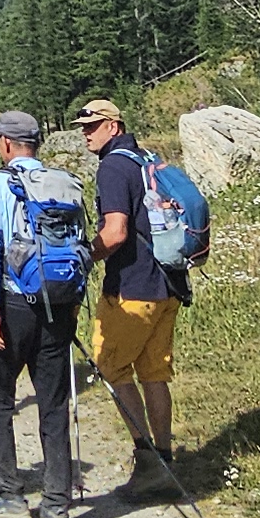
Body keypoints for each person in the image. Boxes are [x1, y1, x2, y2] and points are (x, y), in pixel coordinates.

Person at [0, 109, 89, 518]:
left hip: (13, 304)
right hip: (57, 304)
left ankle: (10, 496)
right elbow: (80, 248)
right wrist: (74, 303)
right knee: (53, 404)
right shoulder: (64, 182)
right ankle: (57, 506)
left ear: (5, 143)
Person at [75, 98, 185, 489]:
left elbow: (116, 231)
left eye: (93, 125)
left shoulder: (113, 167)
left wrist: (82, 256)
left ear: (114, 126)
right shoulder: (145, 160)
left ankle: (148, 459)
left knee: (112, 367)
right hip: (168, 283)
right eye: (83, 127)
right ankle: (165, 458)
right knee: (154, 374)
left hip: (132, 288)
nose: (86, 133)